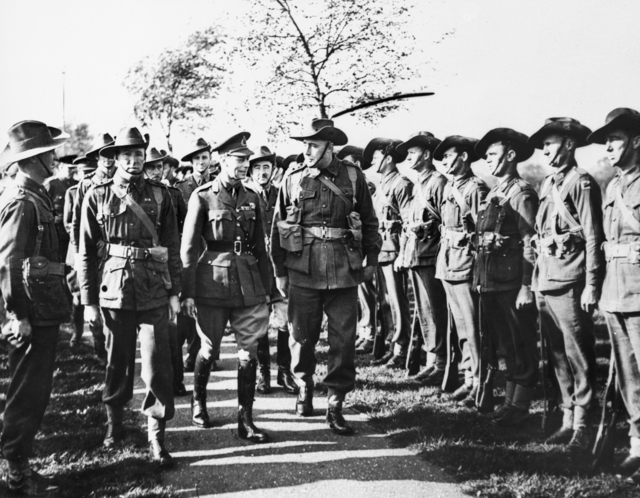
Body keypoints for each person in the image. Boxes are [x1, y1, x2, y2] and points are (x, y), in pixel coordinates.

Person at [78, 127, 182, 466]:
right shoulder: (97, 196)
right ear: (116, 159)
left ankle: (156, 437)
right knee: (117, 362)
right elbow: (85, 253)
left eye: (139, 154)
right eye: (127, 156)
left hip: (153, 291)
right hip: (114, 291)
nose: (134, 161)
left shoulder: (162, 195)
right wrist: (89, 301)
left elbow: (172, 247)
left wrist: (174, 292)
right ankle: (115, 425)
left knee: (158, 366)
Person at [271, 118, 381, 435]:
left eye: (314, 145)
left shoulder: (352, 176)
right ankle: (304, 387)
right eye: (304, 145)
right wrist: (279, 272)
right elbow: (277, 230)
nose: (306, 151)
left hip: (344, 270)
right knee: (301, 337)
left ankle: (335, 402)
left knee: (343, 341)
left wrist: (371, 260)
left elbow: (370, 222)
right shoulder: (292, 180)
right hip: (303, 270)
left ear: (329, 147)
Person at [181, 132, 270, 443]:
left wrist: (269, 290)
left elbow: (261, 247)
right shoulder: (202, 196)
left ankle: (245, 420)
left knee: (249, 351)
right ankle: (199, 402)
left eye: (247, 160)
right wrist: (188, 292)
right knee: (208, 348)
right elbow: (189, 248)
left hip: (248, 283)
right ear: (221, 160)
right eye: (239, 160)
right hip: (211, 284)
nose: (245, 166)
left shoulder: (253, 197)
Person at [0, 120, 71, 494]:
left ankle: (21, 463)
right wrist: (18, 315)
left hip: (43, 309)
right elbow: (9, 263)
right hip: (30, 314)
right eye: (49, 153)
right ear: (35, 158)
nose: (54, 158)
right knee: (27, 392)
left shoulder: (37, 196)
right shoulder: (20, 201)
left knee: (37, 390)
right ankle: (16, 472)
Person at [529, 117, 603, 450]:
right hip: (546, 278)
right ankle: (568, 417)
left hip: (571, 279)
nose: (545, 149)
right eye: (543, 144)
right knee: (557, 356)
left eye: (550, 142)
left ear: (570, 144)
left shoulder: (581, 182)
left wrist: (591, 284)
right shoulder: (547, 183)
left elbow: (592, 236)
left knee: (580, 358)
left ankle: (585, 424)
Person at [588, 108, 640, 481]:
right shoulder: (613, 186)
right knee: (627, 376)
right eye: (606, 141)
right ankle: (638, 445)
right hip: (615, 291)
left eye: (615, 139)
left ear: (636, 141)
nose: (608, 147)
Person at [473, 128, 539, 421]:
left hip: (512, 281)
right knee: (504, 343)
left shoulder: (521, 192)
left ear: (510, 156)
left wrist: (527, 285)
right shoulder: (496, 191)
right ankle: (510, 403)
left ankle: (520, 405)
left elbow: (530, 241)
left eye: (492, 154)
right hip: (490, 279)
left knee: (519, 341)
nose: (487, 160)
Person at [434, 136, 489, 400]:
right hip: (448, 262)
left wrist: (480, 270)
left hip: (466, 264)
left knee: (473, 328)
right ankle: (468, 378)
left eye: (448, 155)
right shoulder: (449, 187)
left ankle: (479, 382)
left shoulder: (476, 188)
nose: (444, 161)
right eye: (442, 157)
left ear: (464, 157)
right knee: (460, 328)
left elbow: (482, 233)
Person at [395, 132, 449, 382]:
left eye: (413, 152)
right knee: (425, 312)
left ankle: (443, 363)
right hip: (418, 255)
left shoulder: (438, 182)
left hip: (432, 255)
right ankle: (432, 359)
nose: (408, 158)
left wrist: (425, 228)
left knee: (437, 312)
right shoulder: (420, 182)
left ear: (427, 154)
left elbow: (447, 221)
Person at [245, 146, 297, 395]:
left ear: (273, 169)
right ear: (250, 171)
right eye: (257, 168)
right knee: (261, 323)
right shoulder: (244, 196)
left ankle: (284, 372)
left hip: (282, 268)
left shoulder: (283, 194)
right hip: (256, 269)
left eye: (266, 167)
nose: (262, 172)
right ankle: (263, 373)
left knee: (286, 321)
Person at [362, 138, 412, 369]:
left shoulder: (401, 184)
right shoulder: (382, 184)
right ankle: (393, 345)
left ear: (389, 158)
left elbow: (407, 222)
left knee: (397, 301)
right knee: (385, 301)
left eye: (376, 156)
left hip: (395, 249)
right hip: (382, 249)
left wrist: (403, 253)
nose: (373, 160)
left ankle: (402, 348)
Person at [143, 147, 189, 396]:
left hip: (167, 265)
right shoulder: (134, 193)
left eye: (159, 166)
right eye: (150, 166)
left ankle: (176, 381)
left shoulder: (172, 194)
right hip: (142, 267)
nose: (155, 171)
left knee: (172, 328)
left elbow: (179, 230)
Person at [177, 138, 216, 373]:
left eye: (204, 157)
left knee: (207, 303)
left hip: (211, 253)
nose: (201, 162)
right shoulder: (180, 189)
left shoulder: (218, 185)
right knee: (187, 301)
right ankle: (186, 353)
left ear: (210, 159)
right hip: (189, 252)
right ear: (191, 162)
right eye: (197, 159)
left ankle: (200, 351)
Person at [65, 155, 107, 363]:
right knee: (83, 297)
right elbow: (74, 224)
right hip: (85, 250)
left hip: (109, 253)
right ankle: (95, 344)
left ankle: (107, 348)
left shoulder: (121, 181)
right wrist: (80, 251)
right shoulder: (83, 186)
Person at [337, 145, 378, 354]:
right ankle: (364, 331)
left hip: (363, 245)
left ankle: (370, 331)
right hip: (353, 247)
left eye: (350, 162)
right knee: (360, 294)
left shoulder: (365, 186)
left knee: (368, 292)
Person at [44, 154, 77, 266]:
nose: (71, 171)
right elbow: (45, 206)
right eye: (69, 168)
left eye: (74, 169)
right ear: (61, 167)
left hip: (73, 229)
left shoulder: (76, 185)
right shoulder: (52, 185)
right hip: (57, 230)